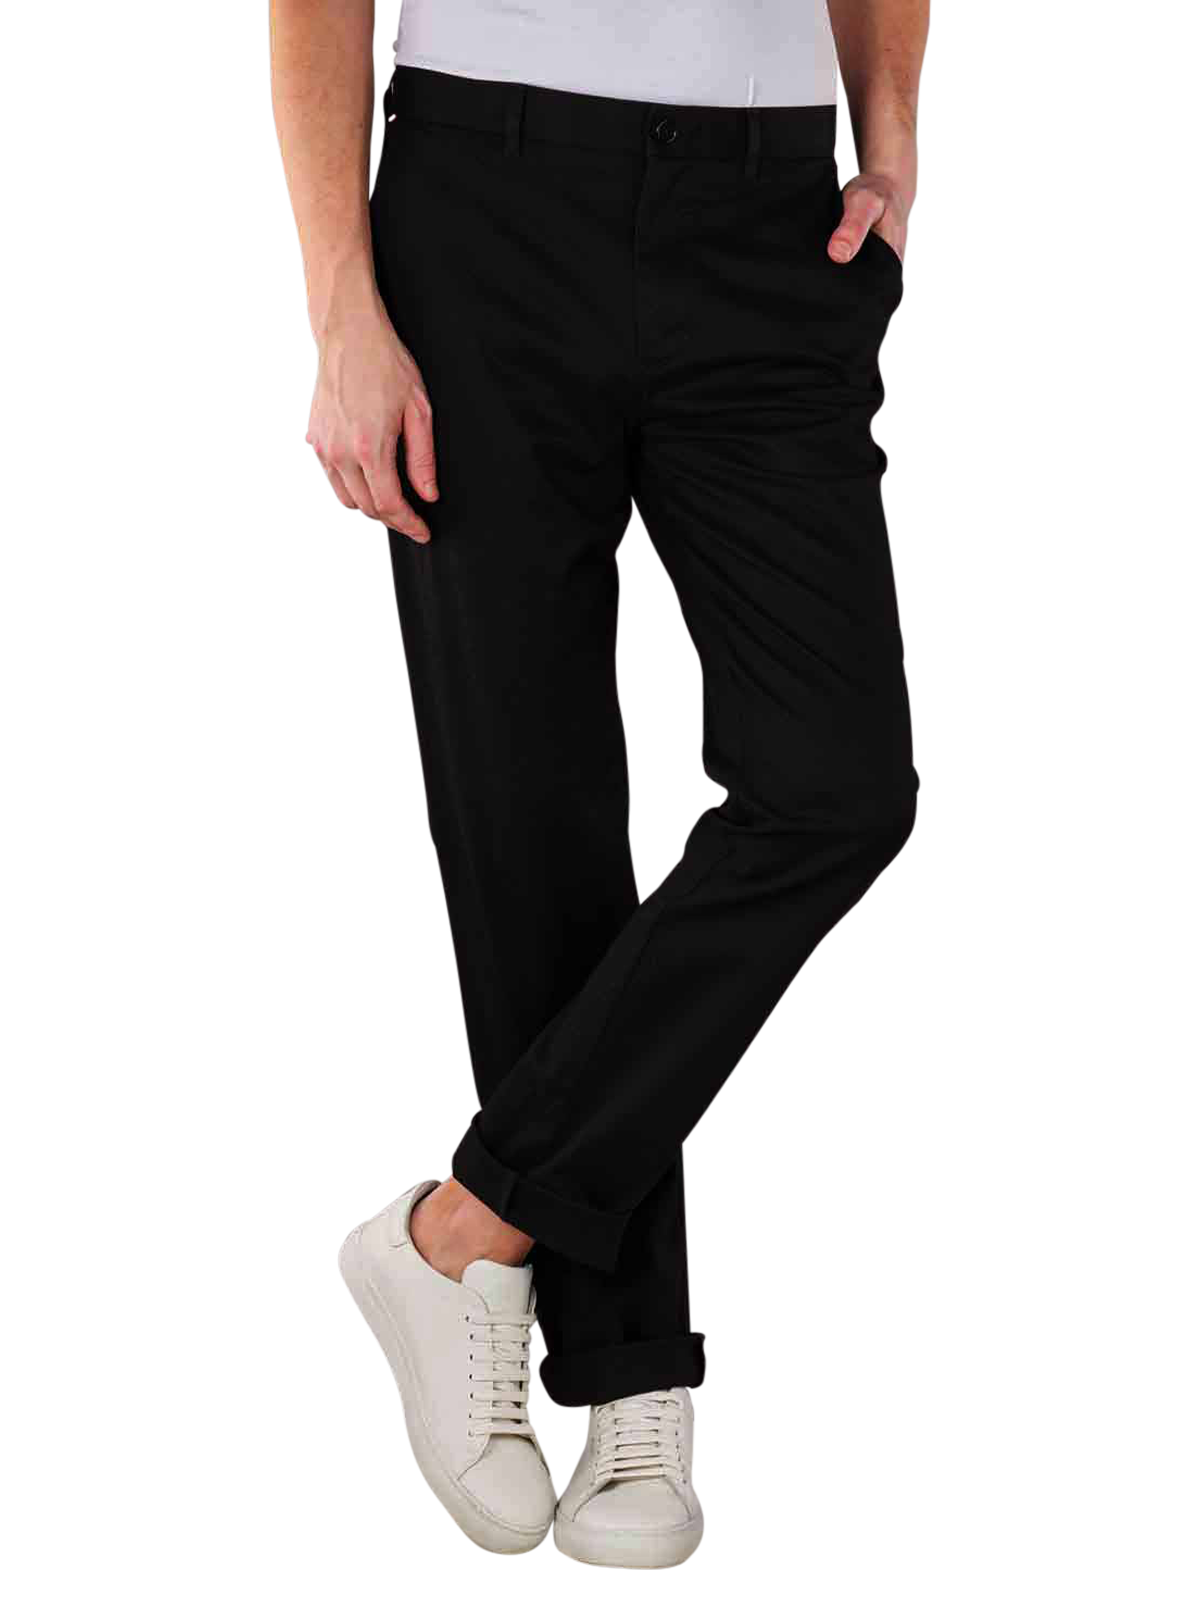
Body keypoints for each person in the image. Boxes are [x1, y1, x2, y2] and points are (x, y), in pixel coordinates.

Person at [271, 0, 929, 1568]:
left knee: (833, 788)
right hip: (480, 206)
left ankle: (460, 1232)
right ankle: (623, 1370)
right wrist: (342, 307)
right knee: (534, 810)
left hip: (772, 215)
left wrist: (893, 135)